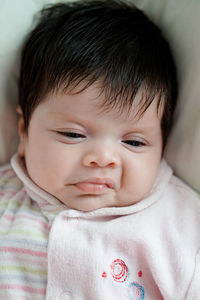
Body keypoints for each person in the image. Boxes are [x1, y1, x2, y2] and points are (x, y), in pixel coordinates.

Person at [0, 0, 199, 299]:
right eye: (72, 134)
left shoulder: (181, 226)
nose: (103, 159)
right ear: (24, 132)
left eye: (134, 142)